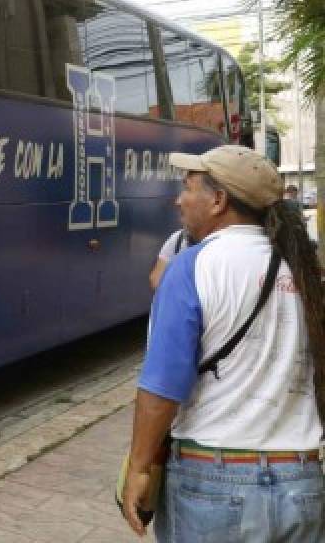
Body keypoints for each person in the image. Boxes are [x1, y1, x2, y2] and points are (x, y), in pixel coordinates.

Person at [121, 145, 325, 540]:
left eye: (188, 187)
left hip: (214, 485)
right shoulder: (298, 268)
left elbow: (162, 387)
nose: (179, 199)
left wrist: (139, 468)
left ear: (218, 200)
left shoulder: (192, 266)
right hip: (301, 483)